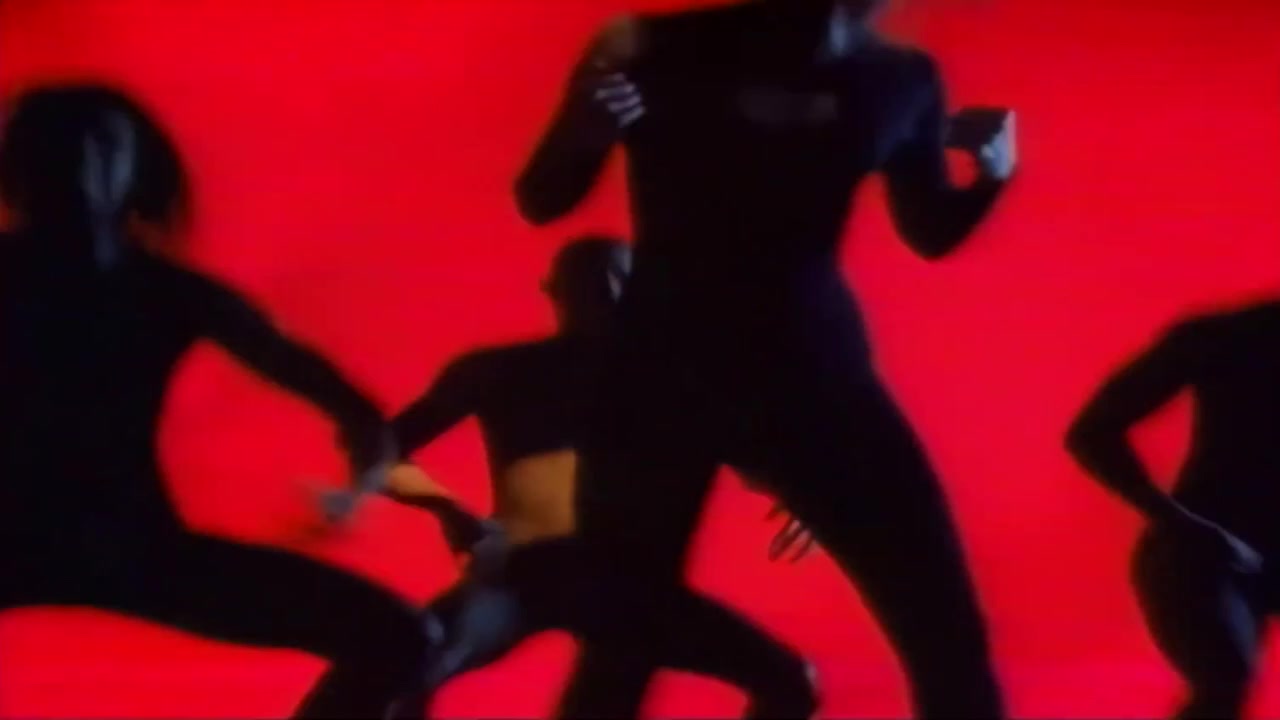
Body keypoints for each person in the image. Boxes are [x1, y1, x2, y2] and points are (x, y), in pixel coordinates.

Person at [514, 0, 1017, 717]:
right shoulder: (653, 46)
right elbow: (540, 197)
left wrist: (993, 175)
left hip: (808, 377)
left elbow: (929, 230)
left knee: (946, 638)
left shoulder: (900, 77)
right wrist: (580, 129)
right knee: (622, 644)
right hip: (664, 377)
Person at [0, 85, 427, 719]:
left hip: (134, 546)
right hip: (45, 543)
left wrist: (358, 419)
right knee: (399, 638)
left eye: (103, 145)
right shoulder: (151, 288)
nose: (82, 165)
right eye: (60, 148)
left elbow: (285, 357)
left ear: (138, 167)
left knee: (401, 637)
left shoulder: (166, 290)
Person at [380, 236, 818, 719]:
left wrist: (810, 498)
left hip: (626, 581)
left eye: (617, 282)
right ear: (556, 293)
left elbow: (760, 456)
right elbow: (377, 452)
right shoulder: (501, 372)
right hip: (523, 571)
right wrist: (446, 507)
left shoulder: (670, 384)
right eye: (591, 283)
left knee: (792, 683)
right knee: (403, 668)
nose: (606, 295)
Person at [1067, 307, 1278, 720]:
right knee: (1222, 687)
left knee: (1222, 688)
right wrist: (1177, 522)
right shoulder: (1225, 336)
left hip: (1211, 548)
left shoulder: (1225, 335)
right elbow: (1091, 432)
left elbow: (1092, 432)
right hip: (1206, 554)